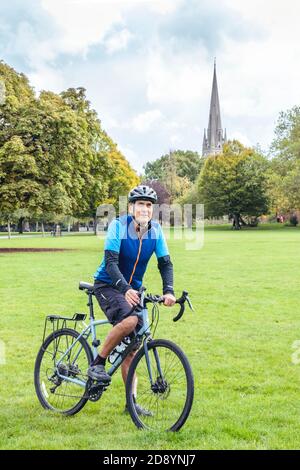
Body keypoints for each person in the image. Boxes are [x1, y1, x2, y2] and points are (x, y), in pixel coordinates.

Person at [88, 185, 176, 415]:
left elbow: (165, 263)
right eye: (141, 204)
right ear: (131, 207)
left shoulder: (155, 231)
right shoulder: (118, 226)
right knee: (130, 322)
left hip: (133, 289)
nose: (145, 209)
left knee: (132, 349)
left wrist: (169, 291)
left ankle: (131, 403)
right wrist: (125, 288)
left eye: (149, 205)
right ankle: (98, 363)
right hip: (108, 284)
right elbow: (111, 263)